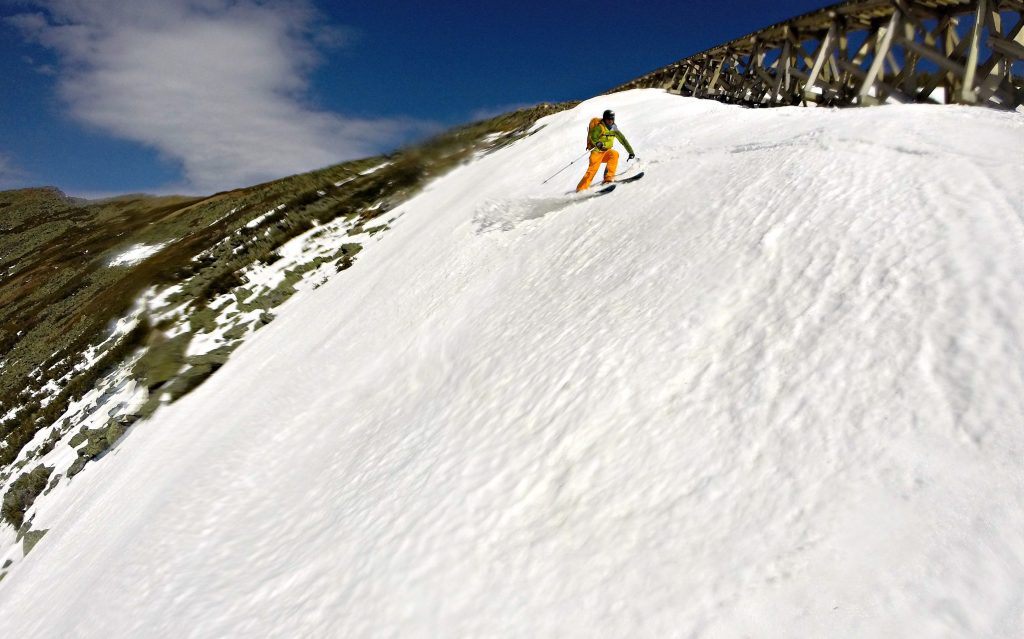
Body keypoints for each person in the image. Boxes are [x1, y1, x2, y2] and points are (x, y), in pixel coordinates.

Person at [576, 109, 636, 192]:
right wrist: (597, 143)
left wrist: (631, 152)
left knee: (614, 154)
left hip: (606, 152)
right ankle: (580, 189)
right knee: (592, 171)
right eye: (608, 119)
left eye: (612, 119)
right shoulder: (600, 127)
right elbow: (593, 137)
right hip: (596, 152)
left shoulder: (614, 129)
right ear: (604, 119)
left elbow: (623, 140)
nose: (610, 121)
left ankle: (608, 178)